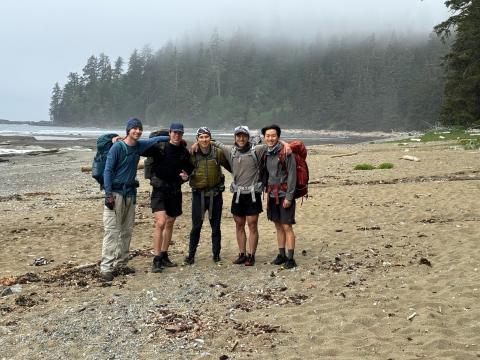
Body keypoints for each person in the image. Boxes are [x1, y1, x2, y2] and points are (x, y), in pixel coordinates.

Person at [100, 118, 169, 281]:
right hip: (115, 194)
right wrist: (108, 194)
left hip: (130, 194)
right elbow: (108, 171)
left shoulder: (139, 146)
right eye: (134, 128)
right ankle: (106, 268)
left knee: (127, 230)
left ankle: (121, 263)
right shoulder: (117, 147)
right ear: (128, 130)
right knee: (112, 231)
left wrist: (173, 136)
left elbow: (156, 140)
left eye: (139, 129)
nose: (137, 131)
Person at [211, 126, 269, 266]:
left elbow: (273, 143)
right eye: (238, 136)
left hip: (253, 194)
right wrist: (195, 144)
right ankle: (242, 254)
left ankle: (251, 255)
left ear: (248, 137)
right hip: (237, 194)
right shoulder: (230, 151)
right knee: (239, 225)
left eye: (244, 136)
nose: (241, 138)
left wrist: (286, 146)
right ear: (235, 137)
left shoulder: (257, 150)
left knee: (252, 225)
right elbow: (214, 142)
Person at [141, 122, 194, 273]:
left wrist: (186, 176)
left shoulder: (184, 152)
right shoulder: (159, 148)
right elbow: (141, 149)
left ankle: (164, 255)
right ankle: (156, 259)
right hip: (159, 190)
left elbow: (189, 170)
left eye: (180, 133)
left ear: (182, 134)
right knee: (161, 223)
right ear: (170, 133)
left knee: (170, 223)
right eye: (174, 133)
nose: (177, 135)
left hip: (175, 191)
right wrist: (122, 140)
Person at [183, 127, 231, 265]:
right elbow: (184, 170)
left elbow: (230, 167)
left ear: (210, 138)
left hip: (215, 195)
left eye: (206, 137)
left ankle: (216, 255)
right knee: (196, 227)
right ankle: (191, 256)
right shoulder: (192, 153)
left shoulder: (218, 153)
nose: (204, 140)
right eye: (201, 137)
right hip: (198, 195)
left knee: (215, 227)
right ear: (197, 139)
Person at [261, 124, 297, 269]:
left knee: (287, 225)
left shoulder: (286, 153)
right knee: (278, 225)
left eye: (273, 136)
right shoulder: (267, 152)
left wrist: (289, 197)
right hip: (271, 194)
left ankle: (290, 258)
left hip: (284, 194)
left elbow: (292, 176)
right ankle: (281, 254)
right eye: (268, 136)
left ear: (278, 137)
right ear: (264, 137)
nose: (270, 138)